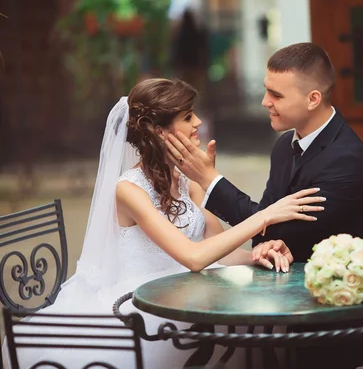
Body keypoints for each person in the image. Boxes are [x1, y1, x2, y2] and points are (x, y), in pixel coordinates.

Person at [2, 78, 323, 368]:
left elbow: (218, 251)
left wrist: (258, 254)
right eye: (187, 117)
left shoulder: (186, 179)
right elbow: (194, 257)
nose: (198, 122)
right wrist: (264, 216)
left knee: (258, 319)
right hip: (140, 305)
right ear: (158, 131)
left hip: (188, 293)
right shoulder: (129, 189)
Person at [165, 42, 363, 266]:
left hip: (349, 287)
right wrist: (265, 242)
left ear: (313, 99)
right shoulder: (284, 146)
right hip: (292, 278)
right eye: (266, 90)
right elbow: (266, 219)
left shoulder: (346, 160)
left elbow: (271, 231)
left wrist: (208, 178)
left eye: (276, 95)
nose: (264, 101)